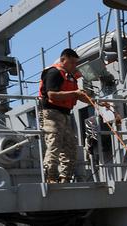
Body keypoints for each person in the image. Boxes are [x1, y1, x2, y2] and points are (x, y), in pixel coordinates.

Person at [38, 48, 89, 184]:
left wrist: (94, 102)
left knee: (70, 147)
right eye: (72, 63)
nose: (74, 66)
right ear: (62, 60)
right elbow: (52, 95)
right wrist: (75, 93)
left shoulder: (70, 77)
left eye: (75, 63)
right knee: (54, 144)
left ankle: (65, 177)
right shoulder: (54, 73)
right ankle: (51, 177)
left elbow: (78, 95)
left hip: (65, 114)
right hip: (52, 113)